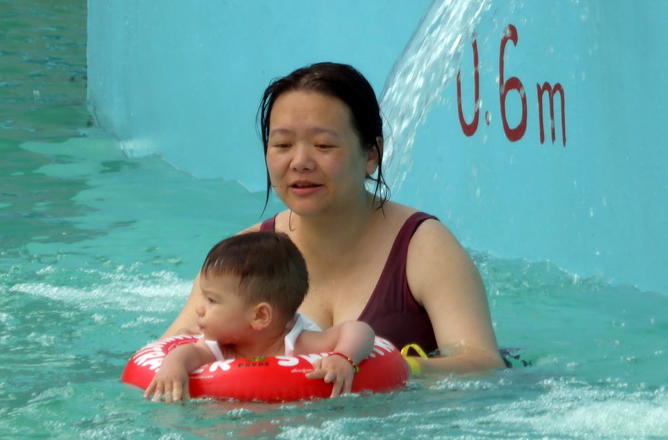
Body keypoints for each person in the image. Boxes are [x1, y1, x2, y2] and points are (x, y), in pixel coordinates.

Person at [162, 62, 505, 376]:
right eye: (282, 145)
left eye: (324, 146)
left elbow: (484, 365)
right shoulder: (242, 259)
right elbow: (166, 353)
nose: (300, 162)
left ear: (372, 155)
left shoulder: (423, 246)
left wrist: (386, 370)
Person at [146, 232, 375, 403]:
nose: (199, 309)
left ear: (259, 316)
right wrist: (172, 366)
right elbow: (188, 353)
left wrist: (344, 358)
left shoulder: (299, 345)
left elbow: (359, 330)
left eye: (212, 301)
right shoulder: (219, 347)